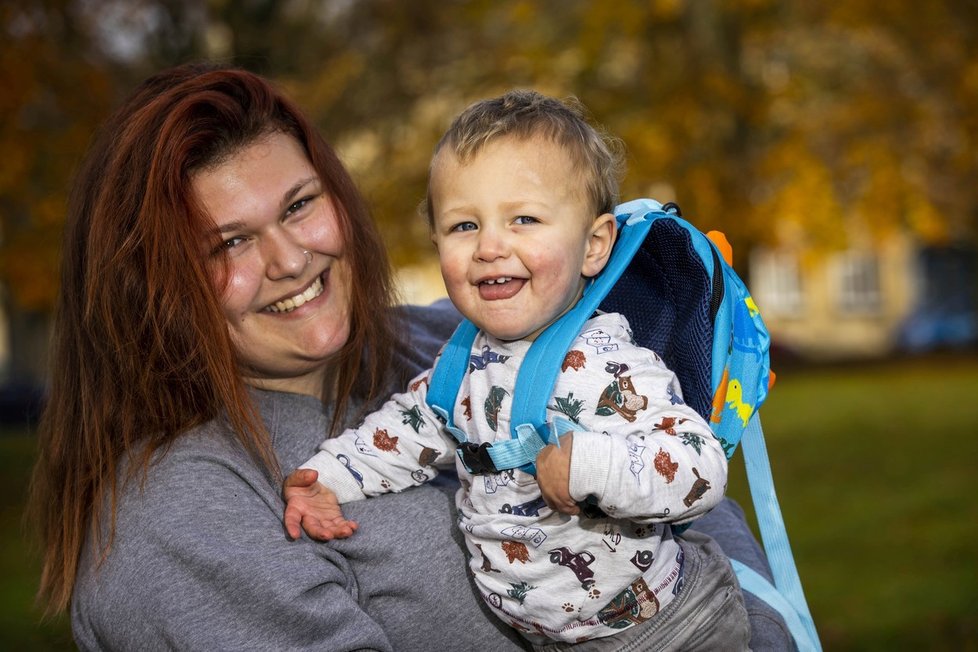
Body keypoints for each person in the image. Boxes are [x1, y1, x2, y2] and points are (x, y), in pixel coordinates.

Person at [26, 63, 790, 651]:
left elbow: (700, 506)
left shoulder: (453, 338)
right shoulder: (181, 518)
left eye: (299, 206)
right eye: (228, 242)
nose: (291, 259)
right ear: (154, 289)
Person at [284, 90, 750, 649]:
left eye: (524, 219)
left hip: (664, 631)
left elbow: (700, 469)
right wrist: (328, 480)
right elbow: (404, 432)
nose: (490, 246)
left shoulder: (604, 362)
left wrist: (593, 466)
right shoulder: (459, 365)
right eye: (463, 226)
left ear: (594, 246)